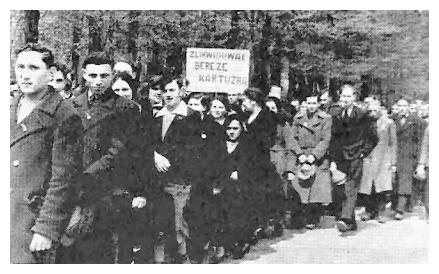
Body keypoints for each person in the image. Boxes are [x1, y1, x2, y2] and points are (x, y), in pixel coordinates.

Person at [65, 52, 146, 263]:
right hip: (75, 189)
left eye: (104, 75)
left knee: (106, 251)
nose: (98, 81)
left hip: (109, 191)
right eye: (92, 75)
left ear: (112, 76)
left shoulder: (126, 108)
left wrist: (85, 175)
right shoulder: (72, 105)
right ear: (83, 74)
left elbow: (117, 151)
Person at [11, 43, 83, 263]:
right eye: (20, 67)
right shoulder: (11, 107)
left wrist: (46, 228)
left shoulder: (64, 115)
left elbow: (64, 179)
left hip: (32, 219)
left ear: (51, 73)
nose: (24, 75)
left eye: (33, 68)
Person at [151, 75, 202, 263]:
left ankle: (183, 257)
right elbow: (148, 143)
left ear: (181, 91)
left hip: (179, 179)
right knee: (158, 220)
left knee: (179, 222)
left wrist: (167, 161)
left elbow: (192, 150)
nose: (167, 94)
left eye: (172, 90)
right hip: (157, 178)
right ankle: (160, 260)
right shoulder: (156, 115)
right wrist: (155, 156)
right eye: (164, 91)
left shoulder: (192, 116)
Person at [329, 84, 378, 232]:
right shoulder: (336, 115)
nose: (345, 99)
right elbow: (333, 138)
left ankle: (345, 218)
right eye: (343, 96)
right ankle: (350, 222)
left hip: (356, 156)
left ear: (354, 97)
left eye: (349, 96)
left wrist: (364, 151)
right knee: (340, 189)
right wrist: (332, 159)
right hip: (340, 157)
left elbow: (373, 137)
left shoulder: (362, 114)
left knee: (351, 187)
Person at [285, 95, 333, 229]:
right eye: (309, 103)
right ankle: (298, 218)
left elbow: (326, 140)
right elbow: (291, 138)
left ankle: (313, 217)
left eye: (314, 103)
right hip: (301, 154)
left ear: (318, 104)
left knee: (315, 189)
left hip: (317, 156)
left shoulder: (326, 118)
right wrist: (299, 153)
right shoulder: (298, 118)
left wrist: (314, 155)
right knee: (299, 187)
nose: (311, 106)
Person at [241, 87, 283, 238]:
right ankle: (256, 225)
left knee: (263, 194)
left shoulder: (267, 117)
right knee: (251, 194)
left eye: (245, 100)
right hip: (247, 161)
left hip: (261, 162)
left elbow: (267, 140)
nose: (243, 103)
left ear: (253, 101)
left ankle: (268, 224)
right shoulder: (246, 116)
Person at [358, 101, 397, 223]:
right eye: (370, 110)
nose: (373, 113)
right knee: (368, 187)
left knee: (382, 187)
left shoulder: (389, 123)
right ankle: (369, 211)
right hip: (368, 158)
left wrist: (393, 162)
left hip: (383, 159)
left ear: (380, 109)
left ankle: (381, 212)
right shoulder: (365, 123)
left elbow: (393, 143)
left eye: (375, 110)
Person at [392, 99, 423, 220]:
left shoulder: (416, 121)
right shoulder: (392, 119)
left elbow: (420, 141)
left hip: (408, 155)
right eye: (399, 106)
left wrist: (419, 158)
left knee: (405, 181)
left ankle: (400, 209)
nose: (402, 108)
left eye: (404, 106)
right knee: (395, 181)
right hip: (395, 153)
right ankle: (398, 205)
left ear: (409, 107)